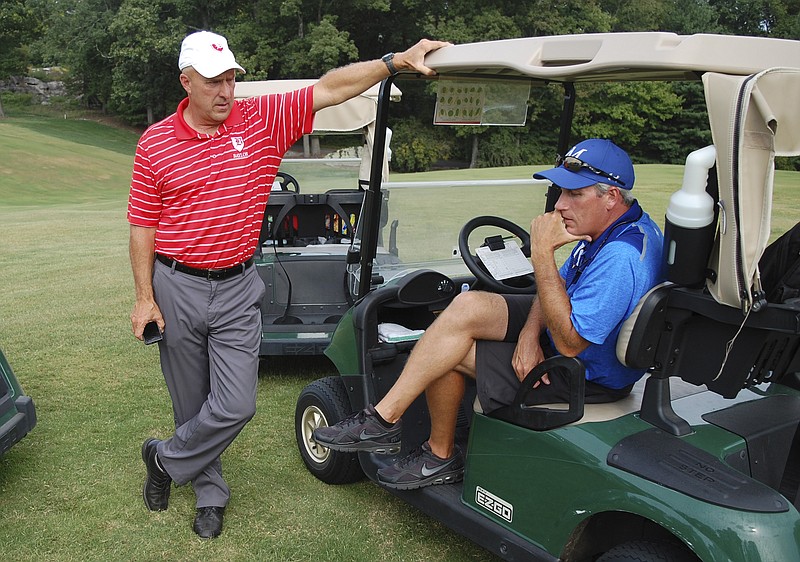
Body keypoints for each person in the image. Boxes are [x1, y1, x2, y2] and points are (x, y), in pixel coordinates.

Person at [128, 30, 451, 538]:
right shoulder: (155, 144)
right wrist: (145, 297)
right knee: (190, 402)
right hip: (177, 285)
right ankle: (210, 494)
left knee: (237, 404)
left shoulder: (259, 121)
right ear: (185, 81)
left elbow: (329, 89)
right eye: (213, 81)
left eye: (232, 78)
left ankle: (165, 460)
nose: (226, 91)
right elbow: (143, 226)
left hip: (237, 286)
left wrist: (392, 62)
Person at [314, 138, 665, 490]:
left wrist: (541, 254)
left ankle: (438, 457)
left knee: (446, 353)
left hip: (585, 375)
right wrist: (528, 337)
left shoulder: (621, 257)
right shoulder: (611, 229)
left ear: (611, 197)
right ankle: (384, 419)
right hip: (568, 333)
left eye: (575, 194)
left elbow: (570, 342)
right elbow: (555, 287)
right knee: (468, 306)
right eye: (561, 192)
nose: (560, 205)